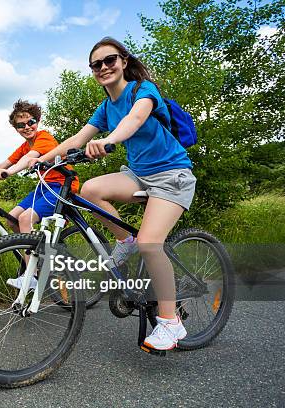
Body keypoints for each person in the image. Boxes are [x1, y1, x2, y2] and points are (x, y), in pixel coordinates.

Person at [29, 37, 197, 351]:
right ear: (92, 71)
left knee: (151, 243)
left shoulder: (143, 90)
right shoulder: (106, 106)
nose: (104, 67)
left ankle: (171, 324)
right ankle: (125, 240)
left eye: (110, 60)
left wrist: (110, 142)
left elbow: (134, 120)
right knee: (90, 190)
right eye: (97, 64)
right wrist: (44, 159)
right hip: (139, 175)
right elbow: (79, 138)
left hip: (172, 175)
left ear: (123, 61)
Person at [0, 99, 79, 289]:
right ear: (16, 128)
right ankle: (37, 256)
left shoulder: (44, 138)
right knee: (12, 219)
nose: (27, 127)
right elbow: (5, 162)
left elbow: (28, 159)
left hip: (62, 186)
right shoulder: (25, 145)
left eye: (30, 122)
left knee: (25, 219)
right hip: (44, 186)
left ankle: (32, 275)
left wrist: (10, 173)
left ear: (37, 121)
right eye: (20, 125)